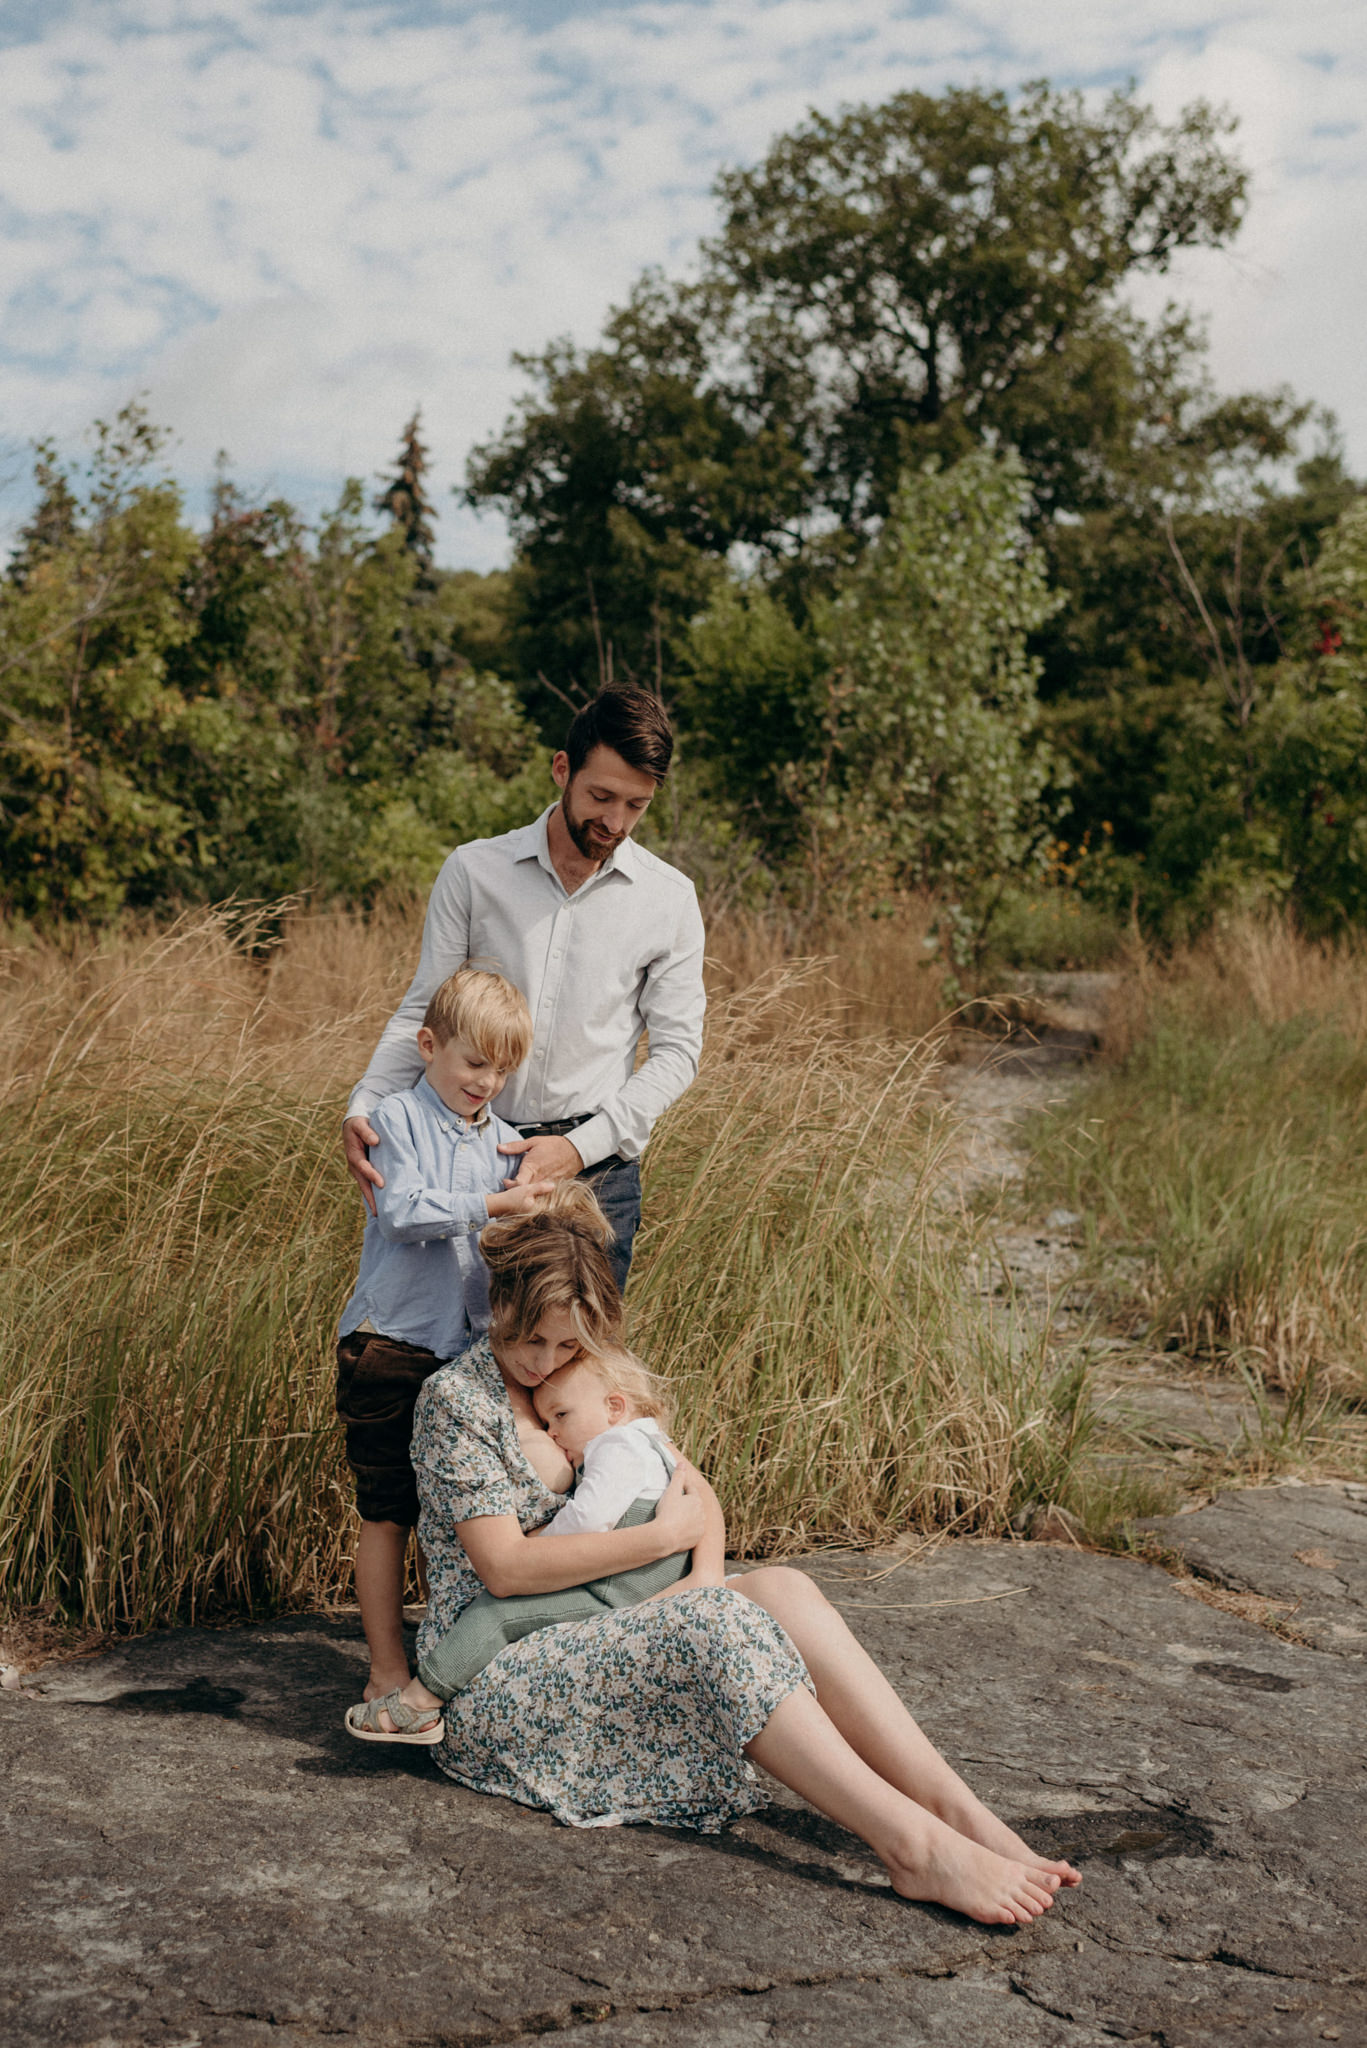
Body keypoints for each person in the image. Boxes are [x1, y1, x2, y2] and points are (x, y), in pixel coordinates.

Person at [348, 1187, 1081, 1929]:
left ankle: (959, 1812)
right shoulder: (456, 1402)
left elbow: (688, 1487)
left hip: (609, 1615)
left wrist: (702, 1576)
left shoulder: (591, 1375)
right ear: (495, 1305)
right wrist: (665, 1544)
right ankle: (914, 1848)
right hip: (496, 1661)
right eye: (528, 1339)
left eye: (566, 1344)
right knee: (715, 1629)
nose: (545, 1362)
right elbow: (504, 1569)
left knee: (783, 1588)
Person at [342, 685, 705, 1294]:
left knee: (568, 1377)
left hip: (596, 1173)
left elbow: (677, 1054)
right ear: (562, 769)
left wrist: (576, 1149)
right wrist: (366, 1104)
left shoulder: (670, 900)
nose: (615, 822)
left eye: (637, 806)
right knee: (444, 1355)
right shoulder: (473, 871)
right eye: (600, 796)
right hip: (459, 1147)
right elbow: (421, 1010)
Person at [334, 965, 554, 1703]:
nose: (486, 1081)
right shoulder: (391, 1119)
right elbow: (401, 1212)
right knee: (389, 1511)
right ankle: (385, 1671)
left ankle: (451, 1667)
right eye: (473, 1061)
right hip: (391, 1345)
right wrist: (496, 1203)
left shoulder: (508, 1143)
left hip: (466, 1358)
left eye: (502, 1068)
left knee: (465, 1515)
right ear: (429, 1045)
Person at [345, 1346, 697, 1713]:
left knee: (495, 1615)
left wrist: (540, 1543)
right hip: (644, 1575)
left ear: (614, 1407)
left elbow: (590, 1519)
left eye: (561, 1416)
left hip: (625, 1582)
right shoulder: (647, 1437)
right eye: (547, 1424)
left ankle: (418, 1701)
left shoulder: (616, 1445)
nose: (554, 1432)